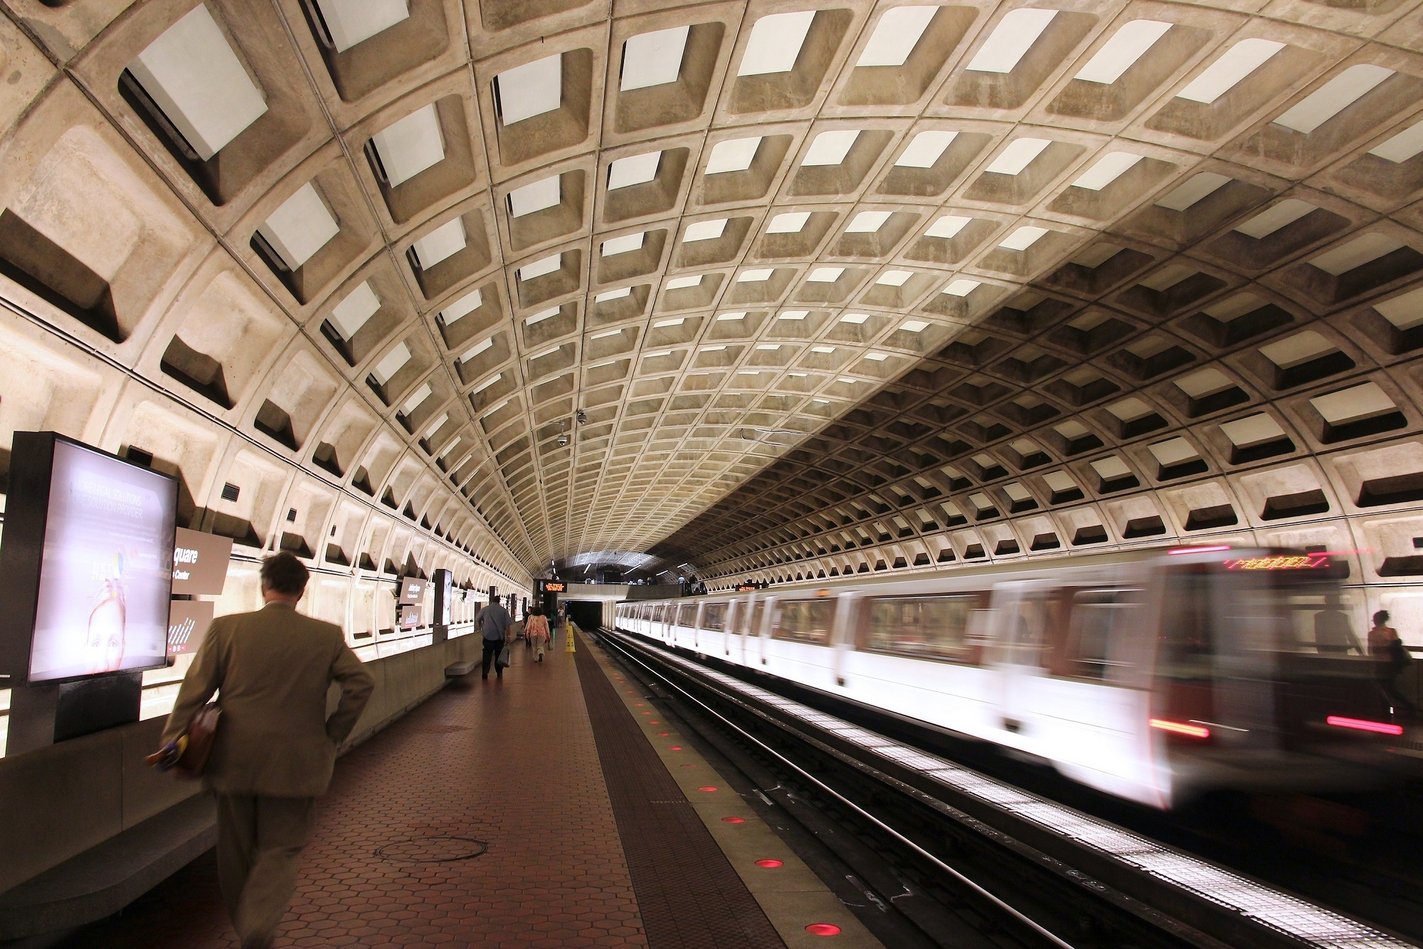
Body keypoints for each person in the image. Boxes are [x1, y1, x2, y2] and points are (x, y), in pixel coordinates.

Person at [156, 552, 373, 949]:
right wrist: (332, 733)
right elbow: (362, 683)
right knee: (280, 849)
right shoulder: (325, 636)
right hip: (297, 764)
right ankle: (258, 924)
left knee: (234, 853)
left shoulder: (226, 629)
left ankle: (246, 926)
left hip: (232, 761)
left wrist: (173, 741)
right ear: (302, 591)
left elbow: (193, 692)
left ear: (263, 586)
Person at [476, 595, 512, 680]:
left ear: (492, 600)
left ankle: (485, 673)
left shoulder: (485, 609)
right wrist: (508, 636)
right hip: (500, 637)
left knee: (486, 655)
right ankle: (499, 672)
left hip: (487, 636)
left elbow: (477, 619)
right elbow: (508, 625)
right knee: (498, 655)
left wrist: (481, 627)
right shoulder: (504, 611)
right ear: (499, 601)